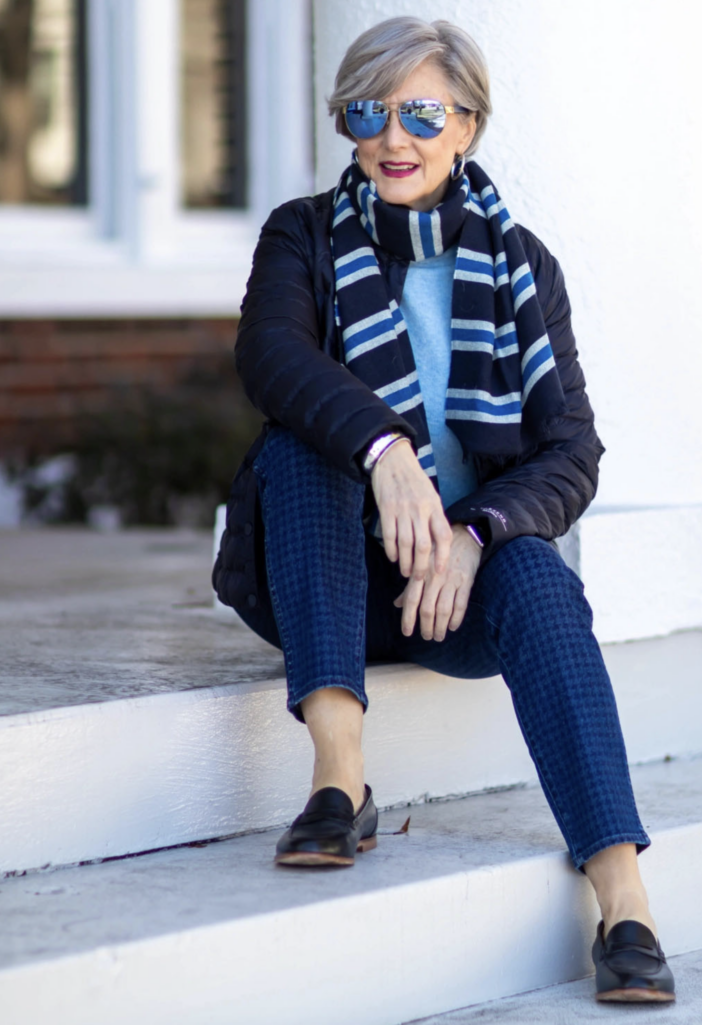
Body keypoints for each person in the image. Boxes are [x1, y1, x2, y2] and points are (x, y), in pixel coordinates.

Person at [213, 16, 674, 1004]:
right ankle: (340, 780)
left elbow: (571, 452)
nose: (394, 138)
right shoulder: (302, 235)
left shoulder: (522, 266)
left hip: (451, 592)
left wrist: (471, 531)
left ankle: (624, 899)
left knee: (537, 569)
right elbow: (272, 356)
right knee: (301, 446)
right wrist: (386, 453)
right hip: (326, 577)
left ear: (467, 125)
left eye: (422, 114)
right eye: (368, 112)